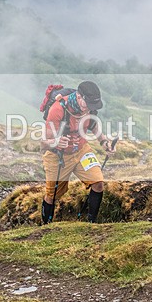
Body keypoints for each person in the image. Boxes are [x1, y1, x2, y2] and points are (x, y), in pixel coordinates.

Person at [41, 81, 116, 224]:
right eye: (88, 105)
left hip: (81, 151)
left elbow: (93, 125)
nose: (89, 109)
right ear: (79, 97)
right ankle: (44, 228)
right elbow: (44, 142)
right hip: (58, 156)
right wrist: (56, 142)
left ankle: (91, 224)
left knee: (98, 183)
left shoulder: (90, 108)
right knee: (52, 194)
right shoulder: (58, 109)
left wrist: (104, 143)